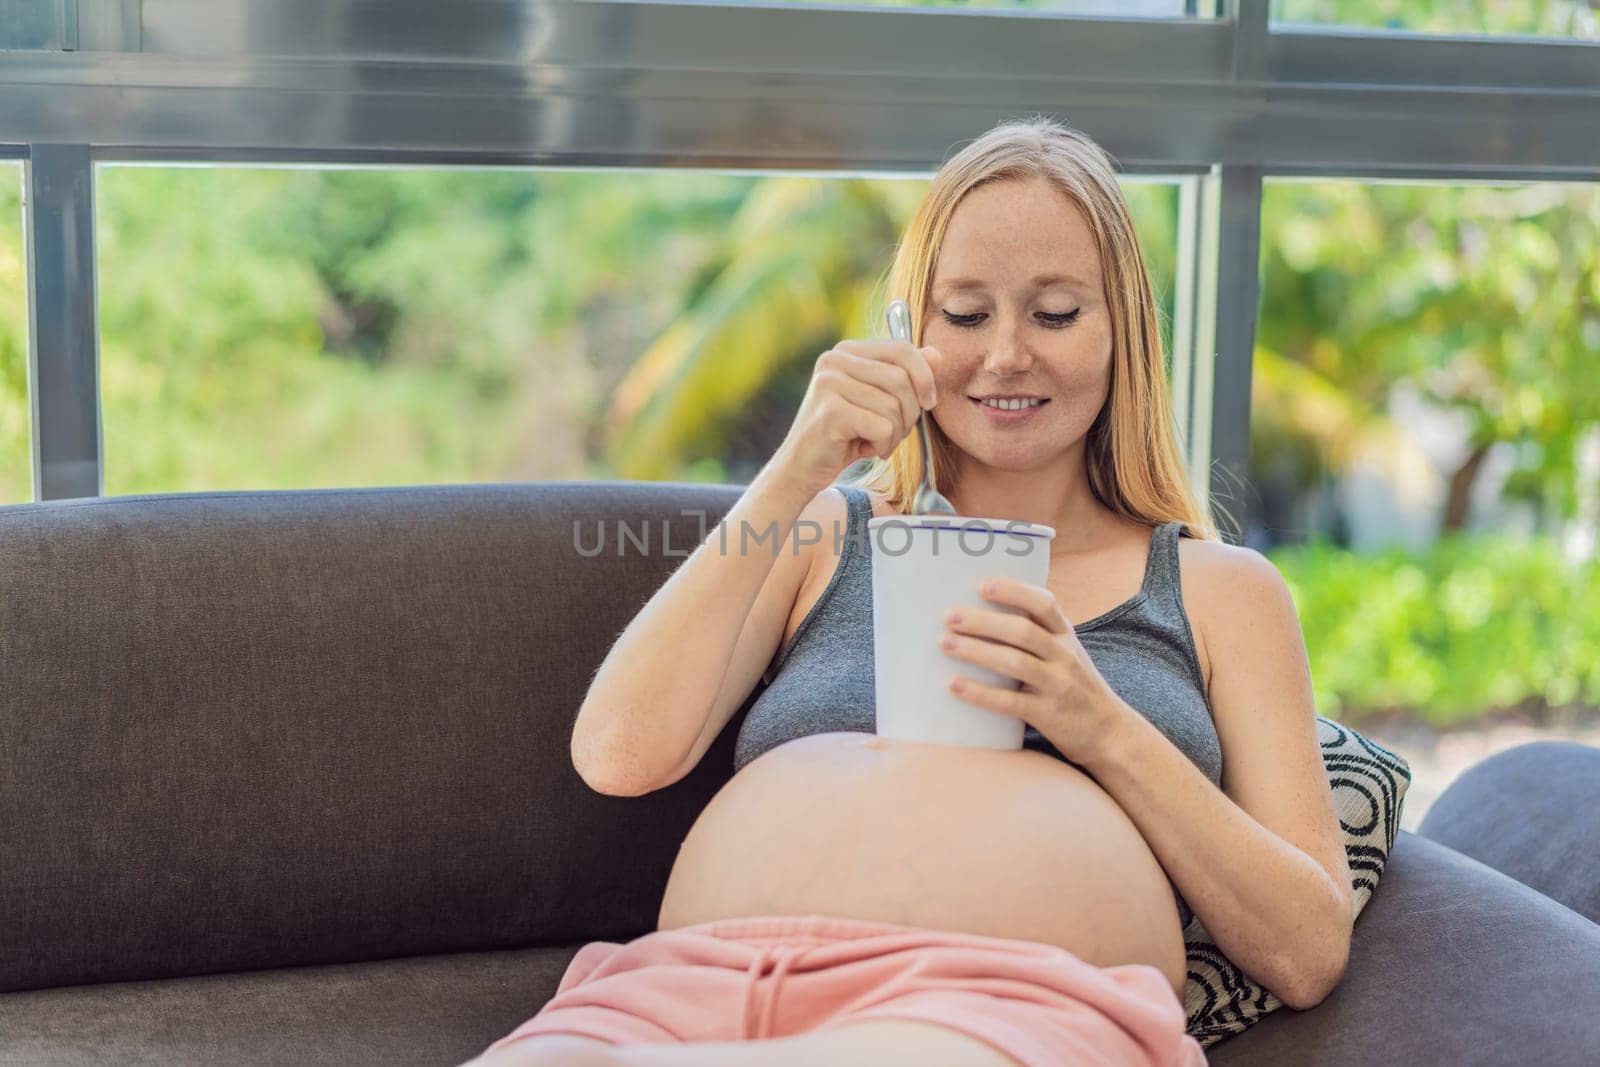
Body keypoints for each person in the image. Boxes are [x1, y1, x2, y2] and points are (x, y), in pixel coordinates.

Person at [466, 115, 1352, 1067]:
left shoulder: (1222, 593)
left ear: (1123, 331)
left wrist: (1101, 726)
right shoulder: (823, 532)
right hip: (692, 990)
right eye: (964, 315)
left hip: (1000, 1012)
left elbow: (1305, 952)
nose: (1006, 354)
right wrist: (795, 471)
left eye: (1054, 313)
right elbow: (617, 752)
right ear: (909, 328)